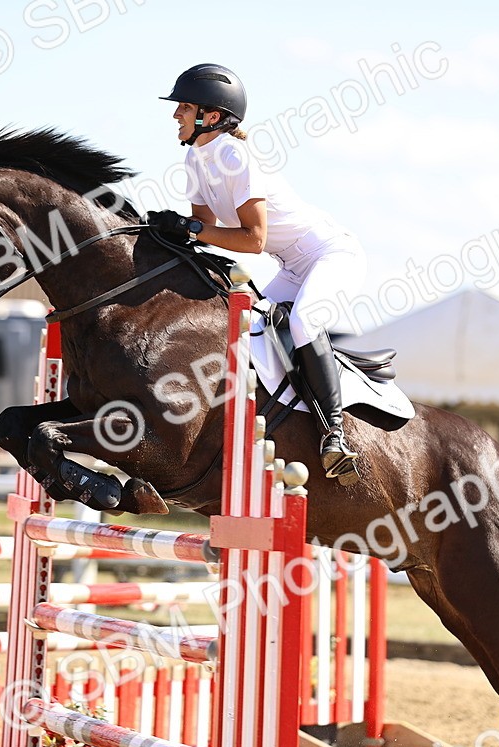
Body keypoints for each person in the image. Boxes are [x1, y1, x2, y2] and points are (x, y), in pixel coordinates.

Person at [148, 63, 366, 486]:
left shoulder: (234, 154)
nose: (176, 115)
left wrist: (191, 228)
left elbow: (253, 240)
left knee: (302, 322)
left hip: (331, 254)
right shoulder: (196, 157)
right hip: (292, 264)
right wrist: (169, 231)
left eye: (184, 107)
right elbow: (206, 232)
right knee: (250, 332)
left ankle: (335, 434)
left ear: (211, 116)